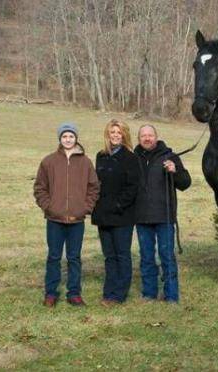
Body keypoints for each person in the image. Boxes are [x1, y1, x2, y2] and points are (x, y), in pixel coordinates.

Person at [33, 123, 99, 307]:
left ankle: (74, 293)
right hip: (55, 219)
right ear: (60, 139)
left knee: (74, 257)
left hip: (77, 219)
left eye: (71, 136)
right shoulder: (49, 161)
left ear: (76, 138)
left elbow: (94, 187)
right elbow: (40, 188)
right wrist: (49, 207)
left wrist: (85, 207)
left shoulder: (85, 162)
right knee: (54, 256)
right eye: (64, 137)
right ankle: (51, 293)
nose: (68, 139)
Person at [134, 125, 191, 303]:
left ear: (156, 137)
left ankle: (171, 295)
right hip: (142, 217)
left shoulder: (170, 156)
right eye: (143, 136)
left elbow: (185, 183)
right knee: (146, 257)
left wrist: (176, 171)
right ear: (139, 139)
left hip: (164, 216)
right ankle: (149, 293)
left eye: (150, 135)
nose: (147, 138)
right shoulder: (134, 158)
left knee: (167, 256)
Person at [91, 119, 139, 306]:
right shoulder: (101, 156)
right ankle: (108, 292)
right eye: (112, 132)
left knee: (122, 255)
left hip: (122, 216)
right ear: (108, 135)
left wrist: (118, 205)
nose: (116, 135)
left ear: (124, 135)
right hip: (103, 215)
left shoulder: (130, 158)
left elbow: (133, 187)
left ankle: (119, 294)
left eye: (119, 132)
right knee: (109, 256)